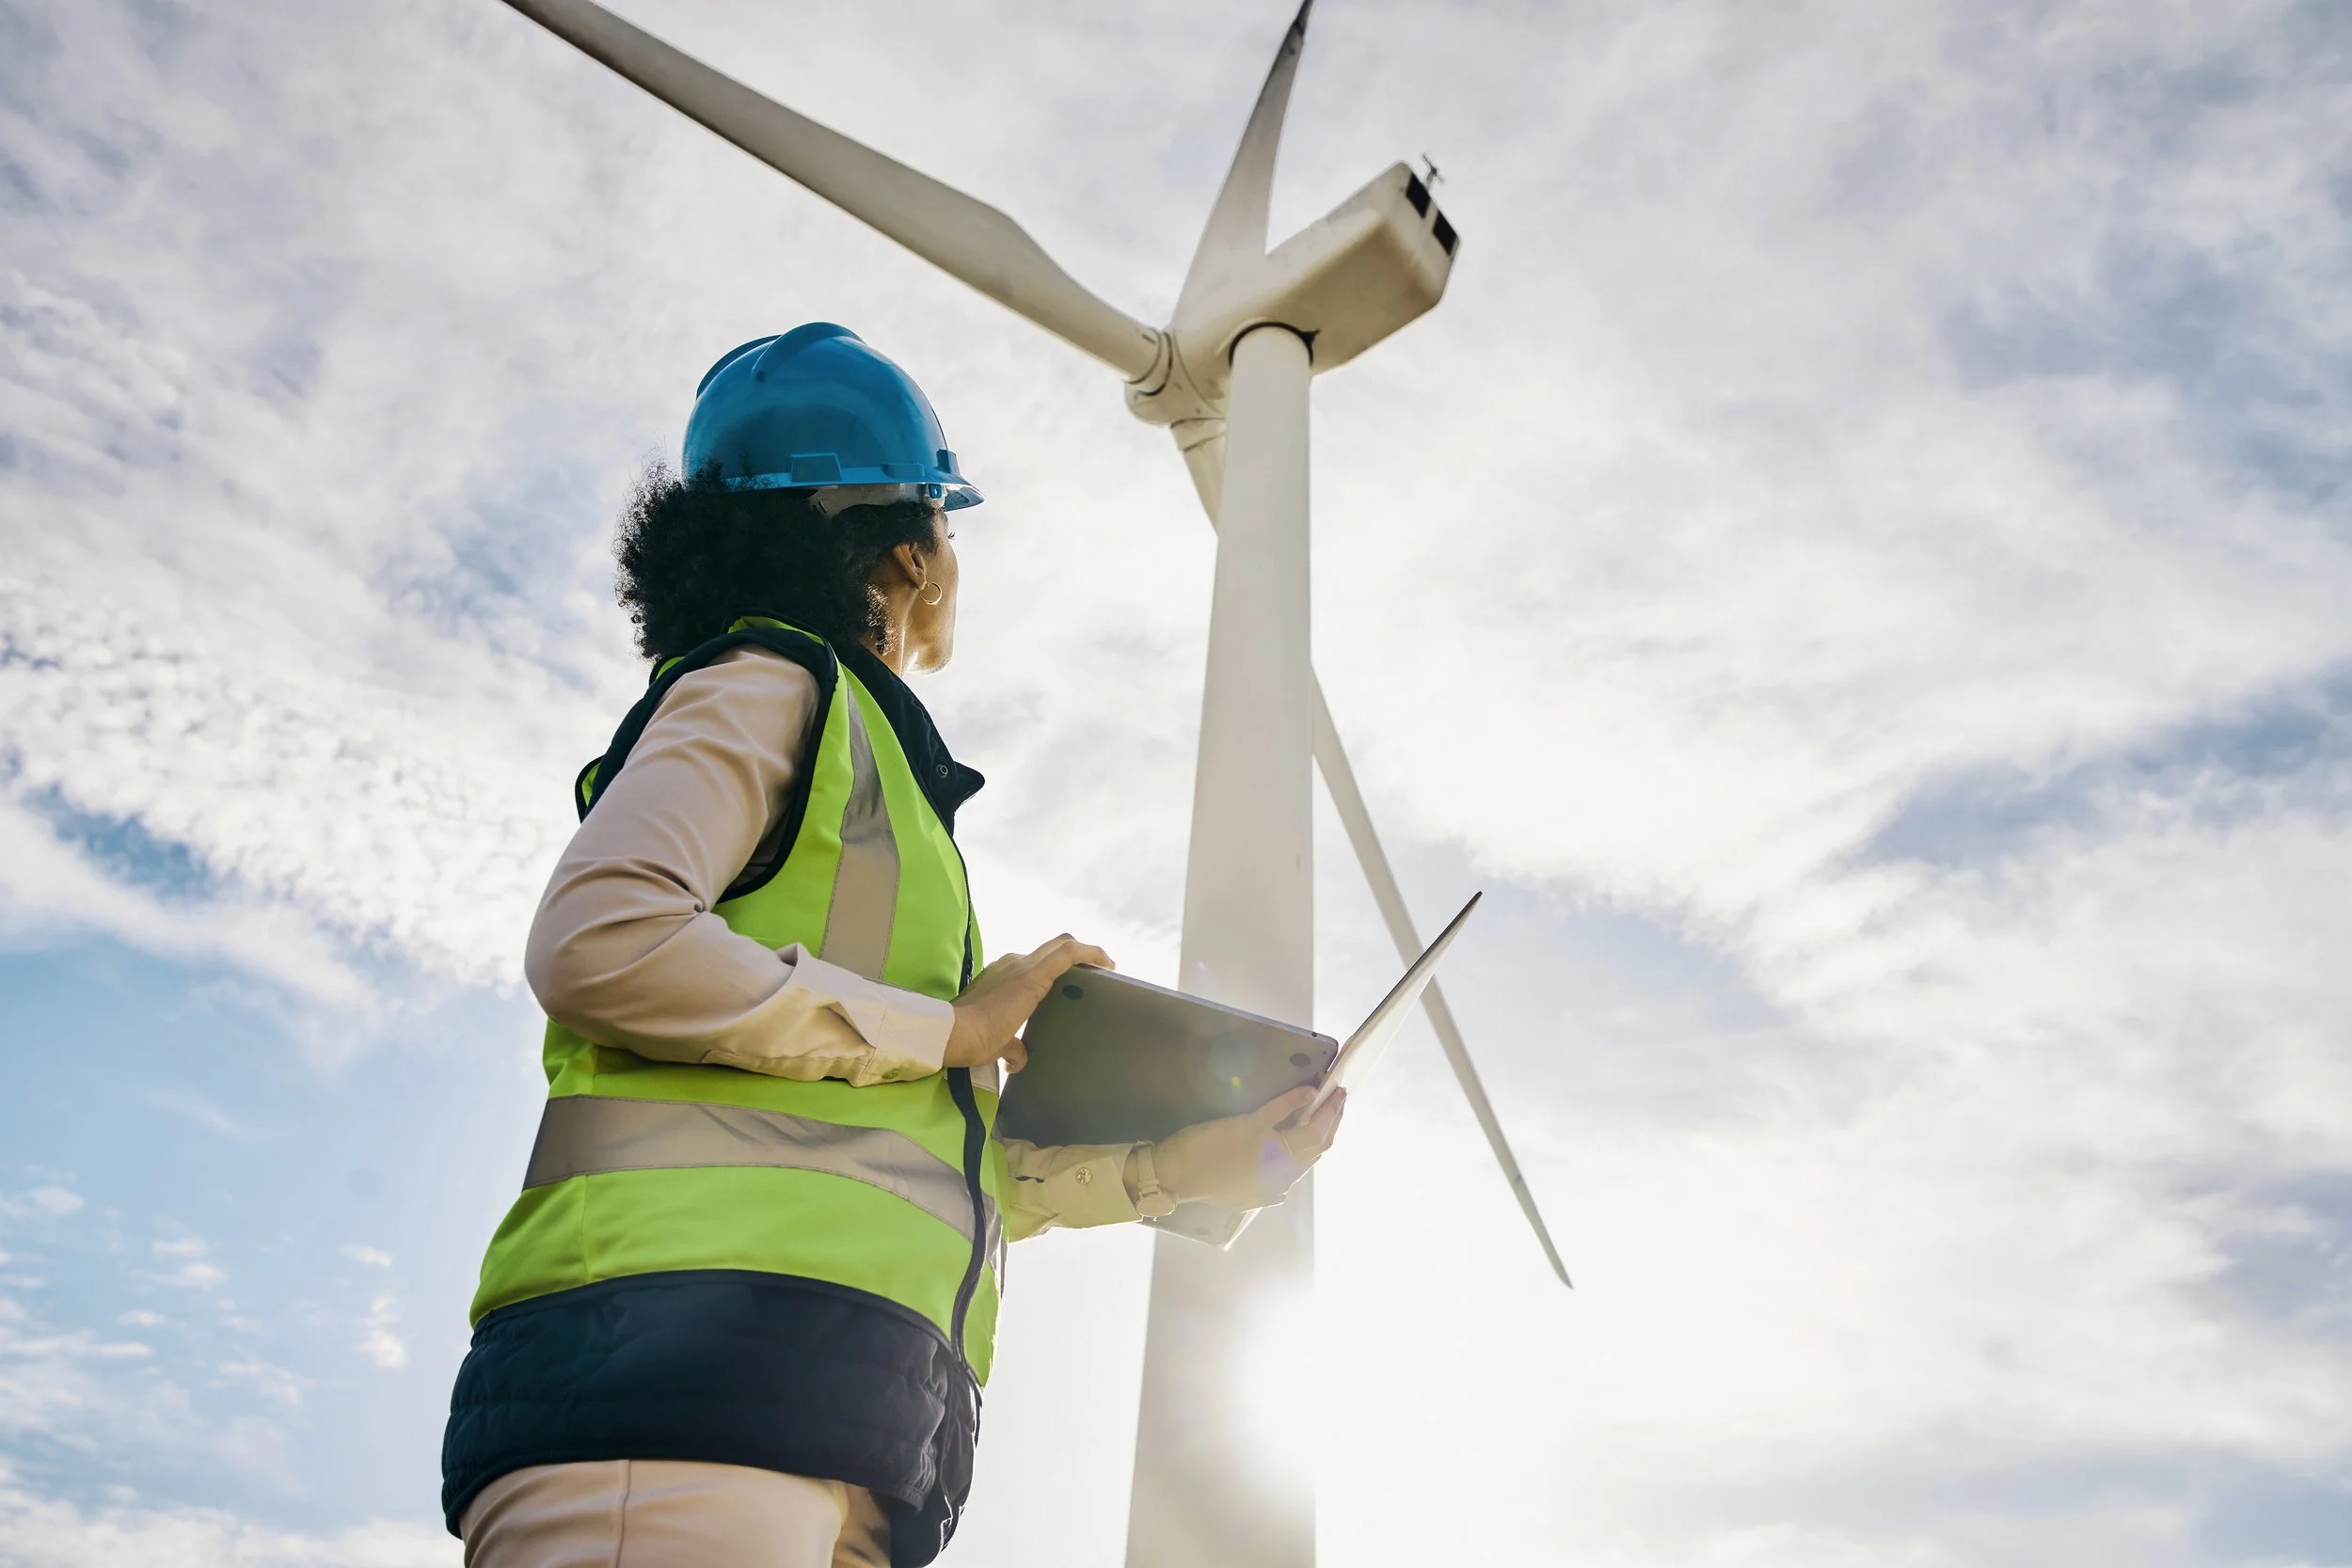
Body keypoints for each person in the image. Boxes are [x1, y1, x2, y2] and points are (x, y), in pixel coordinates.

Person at [440, 323, 1345, 1568]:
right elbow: (602, 938)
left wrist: (1176, 1167)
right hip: (683, 1396)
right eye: (947, 526)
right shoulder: (769, 686)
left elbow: (900, 1167)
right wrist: (957, 1028)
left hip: (838, 1423)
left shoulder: (876, 790)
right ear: (908, 547)